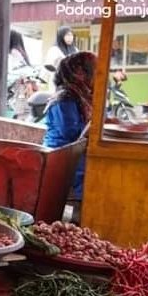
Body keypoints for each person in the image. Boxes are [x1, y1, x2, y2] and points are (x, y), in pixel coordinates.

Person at [42, 51, 97, 202]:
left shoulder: (83, 95)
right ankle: (81, 213)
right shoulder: (64, 98)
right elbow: (70, 133)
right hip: (61, 155)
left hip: (74, 151)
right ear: (80, 73)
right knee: (88, 170)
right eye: (94, 71)